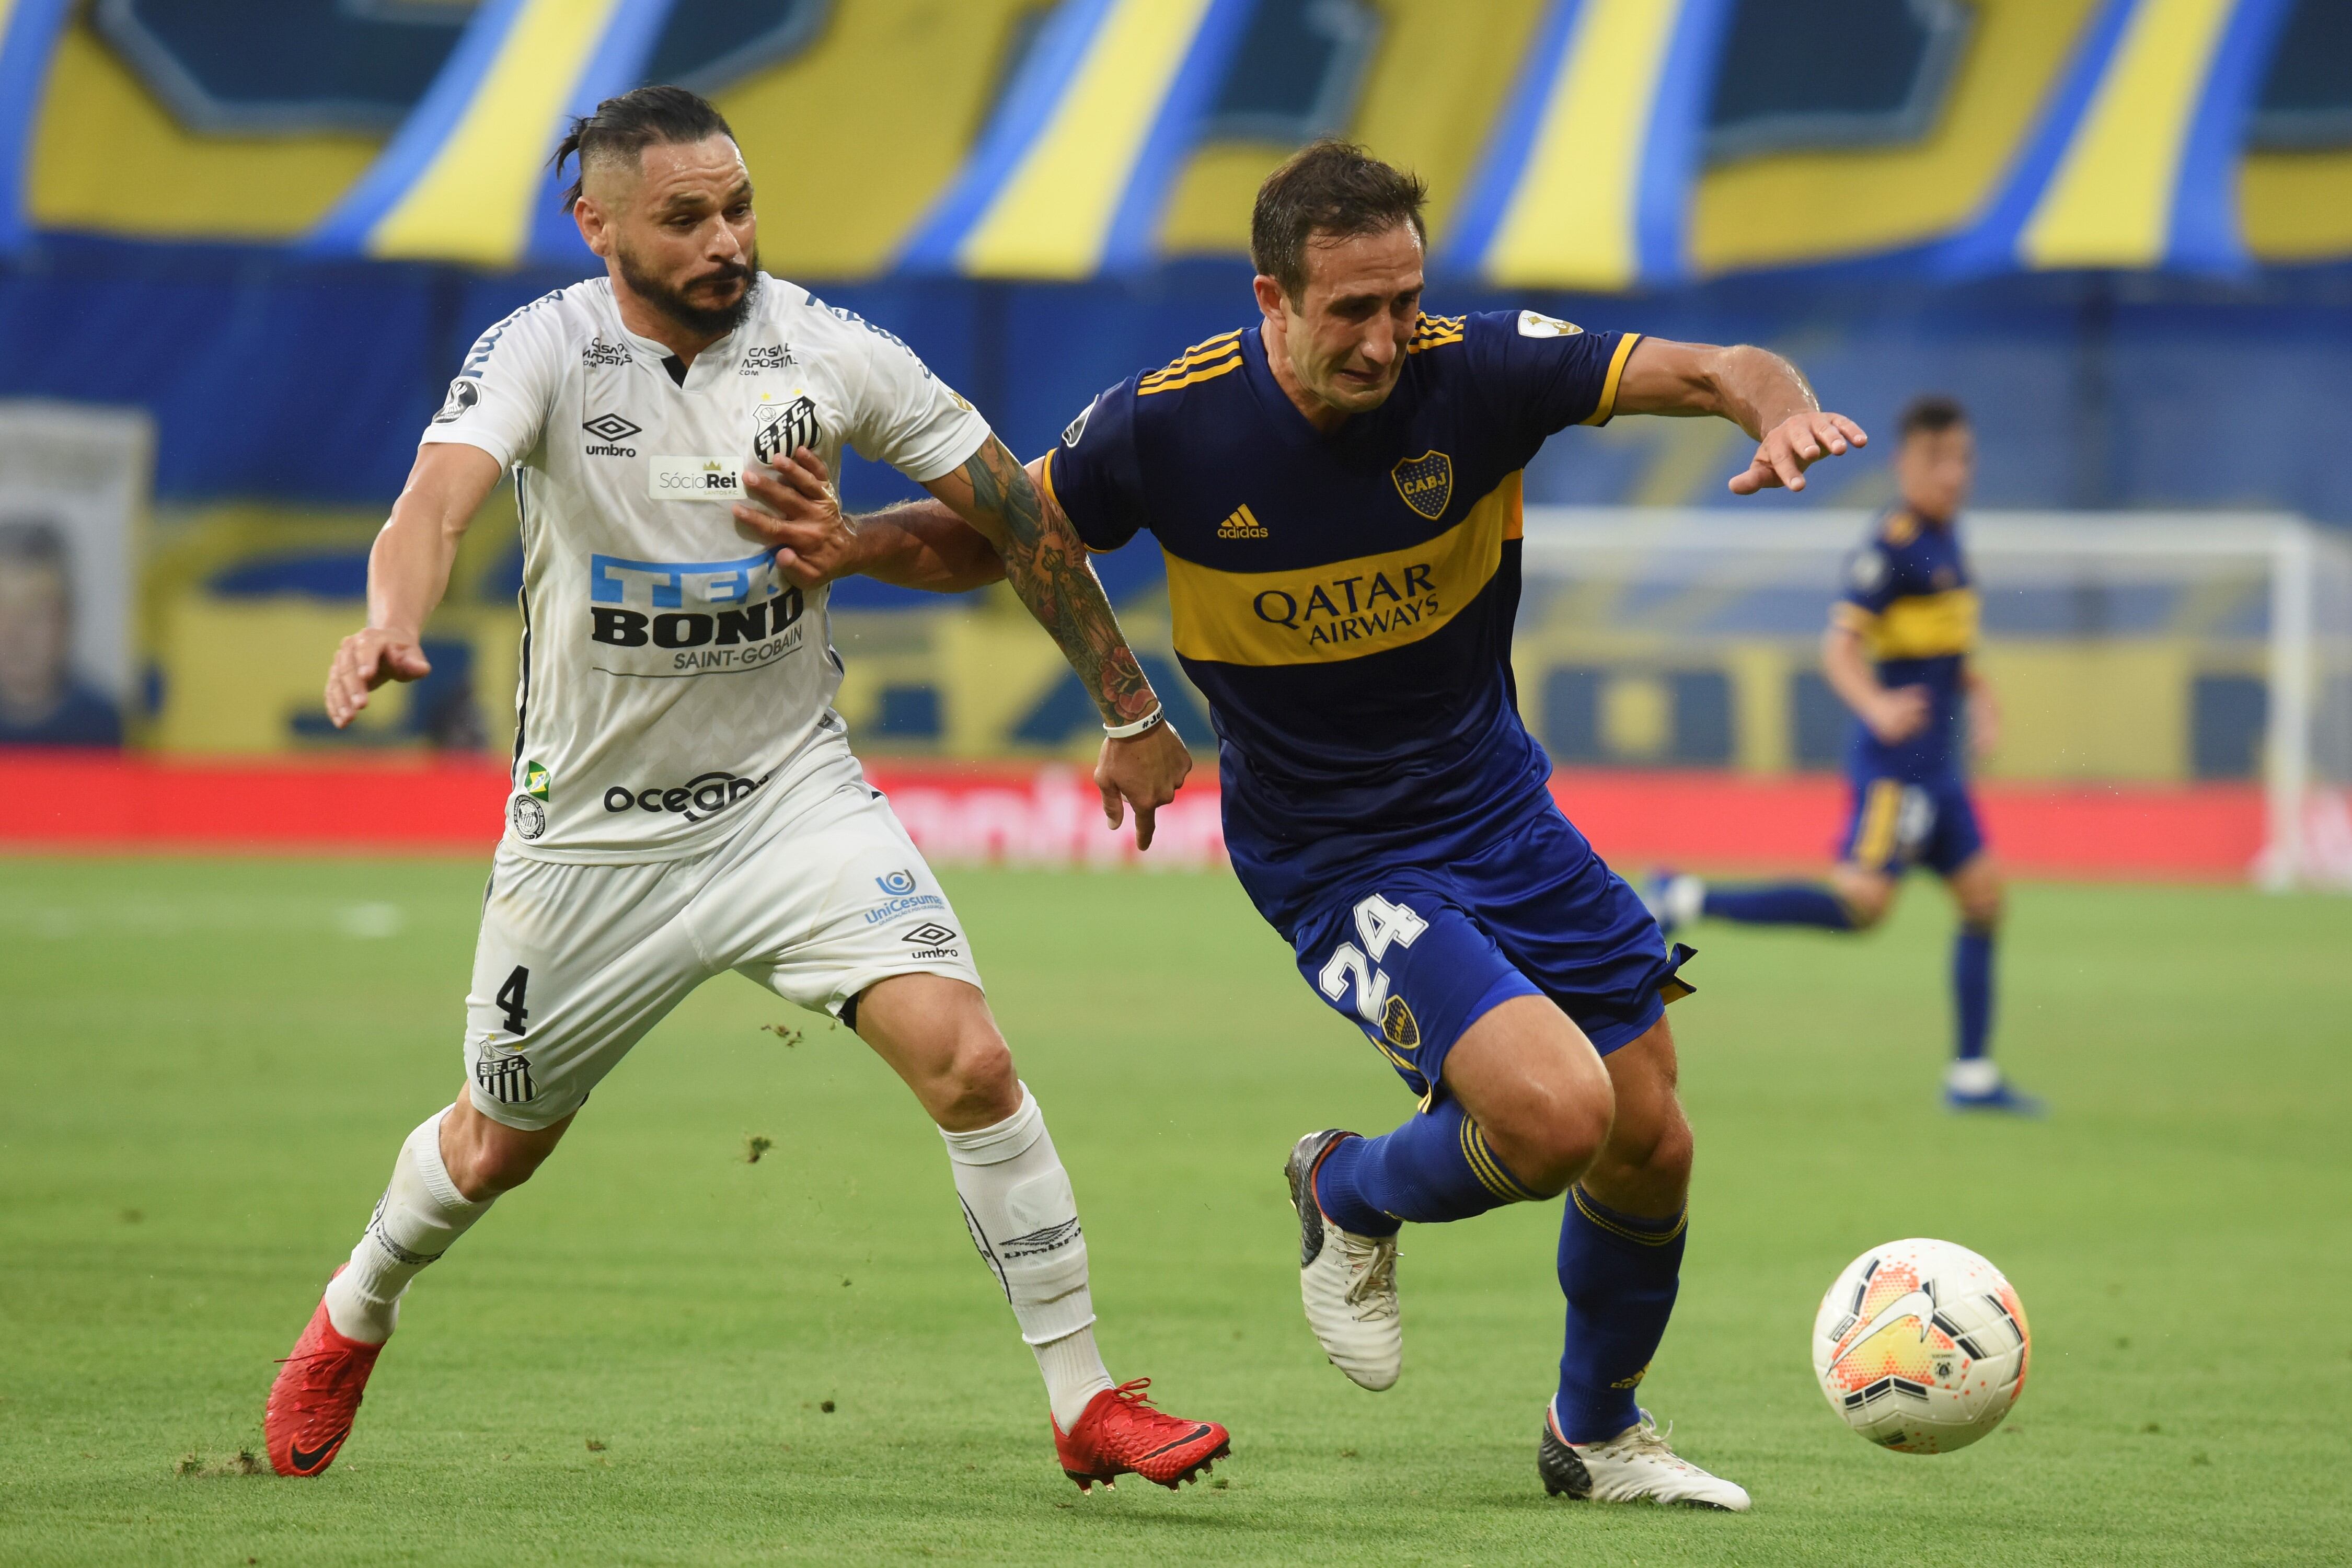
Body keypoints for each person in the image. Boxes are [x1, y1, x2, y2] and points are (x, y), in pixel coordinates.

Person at [749, 141, 1867, 1509]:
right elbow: (1008, 531)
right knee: (1558, 1116)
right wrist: (857, 543)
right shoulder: (1171, 424)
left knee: (1651, 1139)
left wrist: (1782, 413)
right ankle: (1346, 1190)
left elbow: (1714, 366)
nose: (1388, 338)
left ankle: (1595, 1434)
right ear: (1271, 298)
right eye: (1351, 310)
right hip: (1337, 854)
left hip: (1500, 810)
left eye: (1404, 300)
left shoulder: (1485, 372)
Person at [264, 85, 1229, 1493]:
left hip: (791, 803)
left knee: (970, 1062)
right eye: (683, 217)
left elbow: (1013, 508)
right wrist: (388, 619)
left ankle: (1084, 1401)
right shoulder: (542, 349)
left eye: (738, 207)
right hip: (591, 838)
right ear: (594, 224)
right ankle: (353, 1315)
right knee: (491, 1147)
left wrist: (1130, 707)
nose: (725, 239)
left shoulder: (826, 349)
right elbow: (433, 504)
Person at [1647, 395, 2038, 1114]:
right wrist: (1879, 706)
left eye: (1963, 460)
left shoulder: (1948, 540)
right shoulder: (1891, 545)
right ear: (1905, 462)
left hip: (1938, 771)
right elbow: (1839, 648)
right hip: (1897, 771)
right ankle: (1685, 897)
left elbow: (1946, 648)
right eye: (1937, 461)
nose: (1953, 475)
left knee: (1984, 899)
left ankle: (1972, 1076)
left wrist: (1979, 698)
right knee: (1861, 907)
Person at [0, 518, 122, 746]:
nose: (14, 634)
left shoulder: (109, 727)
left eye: (35, 613)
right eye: (2, 612)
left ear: (67, 619)